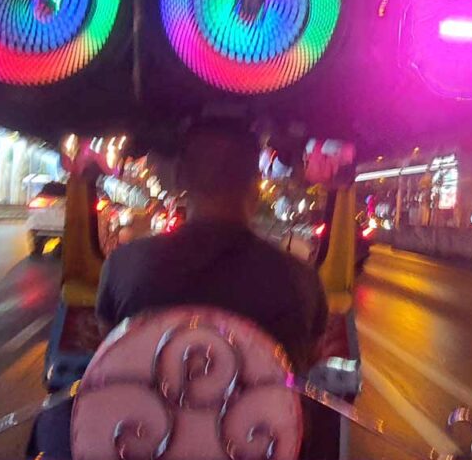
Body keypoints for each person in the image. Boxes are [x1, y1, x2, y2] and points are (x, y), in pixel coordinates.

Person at [97, 121, 328, 370]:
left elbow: (109, 353)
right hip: (269, 411)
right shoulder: (301, 282)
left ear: (179, 178)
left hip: (137, 410)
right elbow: (309, 363)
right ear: (255, 185)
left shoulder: (123, 267)